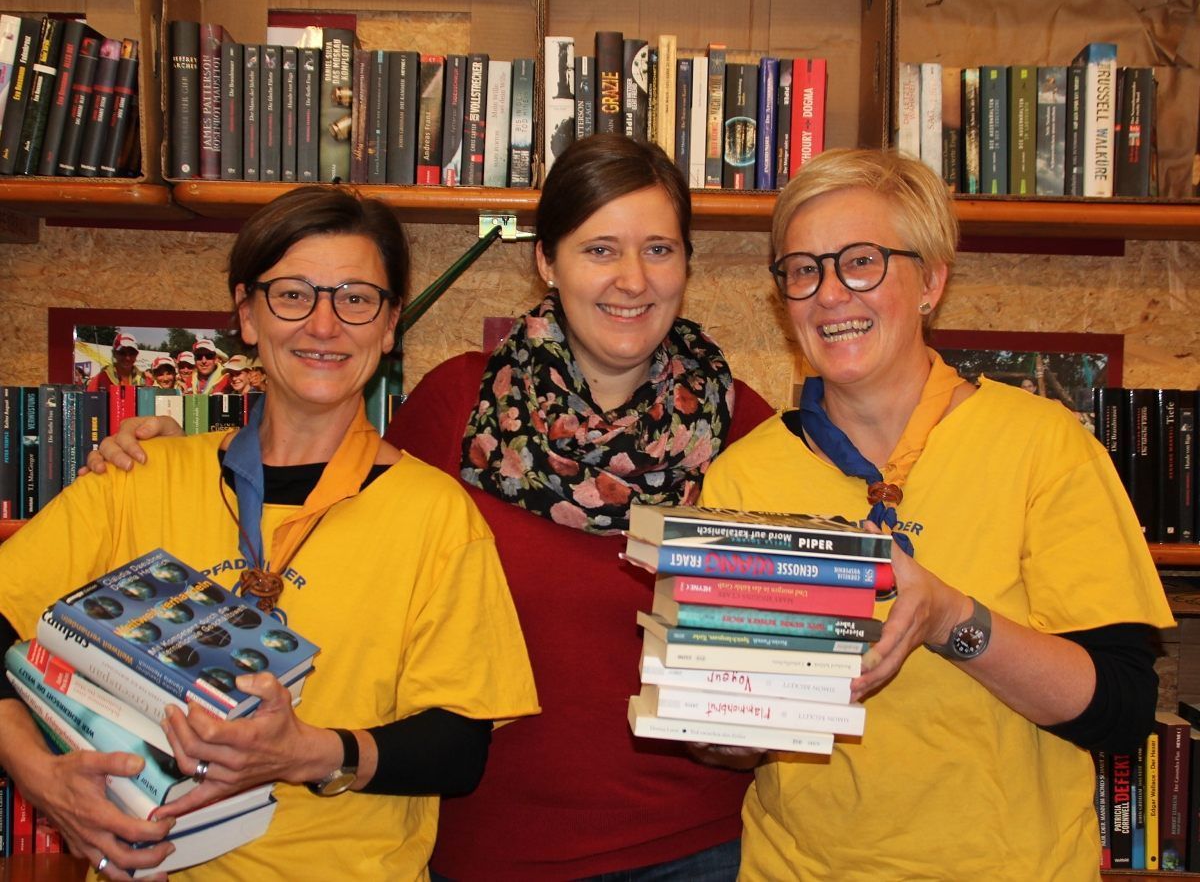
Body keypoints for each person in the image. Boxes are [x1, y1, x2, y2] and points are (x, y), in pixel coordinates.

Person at [85, 134, 775, 881]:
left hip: (690, 850)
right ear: (547, 261)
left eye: (660, 250)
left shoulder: (744, 432)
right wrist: (175, 447)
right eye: (600, 249)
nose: (632, 280)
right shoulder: (457, 405)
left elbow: (778, 651)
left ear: (688, 264)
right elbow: (328, 512)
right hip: (478, 849)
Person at [0, 186, 538, 880]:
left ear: (389, 323)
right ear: (247, 315)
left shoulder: (436, 514)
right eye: (292, 295)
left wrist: (307, 752)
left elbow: (459, 749)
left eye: (355, 298)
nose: (323, 325)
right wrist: (38, 773)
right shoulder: (138, 475)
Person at [694, 147, 1174, 879]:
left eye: (861, 262)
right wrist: (715, 720)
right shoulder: (742, 475)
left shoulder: (1045, 447)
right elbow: (738, 731)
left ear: (932, 282)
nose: (829, 294)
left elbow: (1121, 708)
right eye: (803, 269)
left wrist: (951, 618)